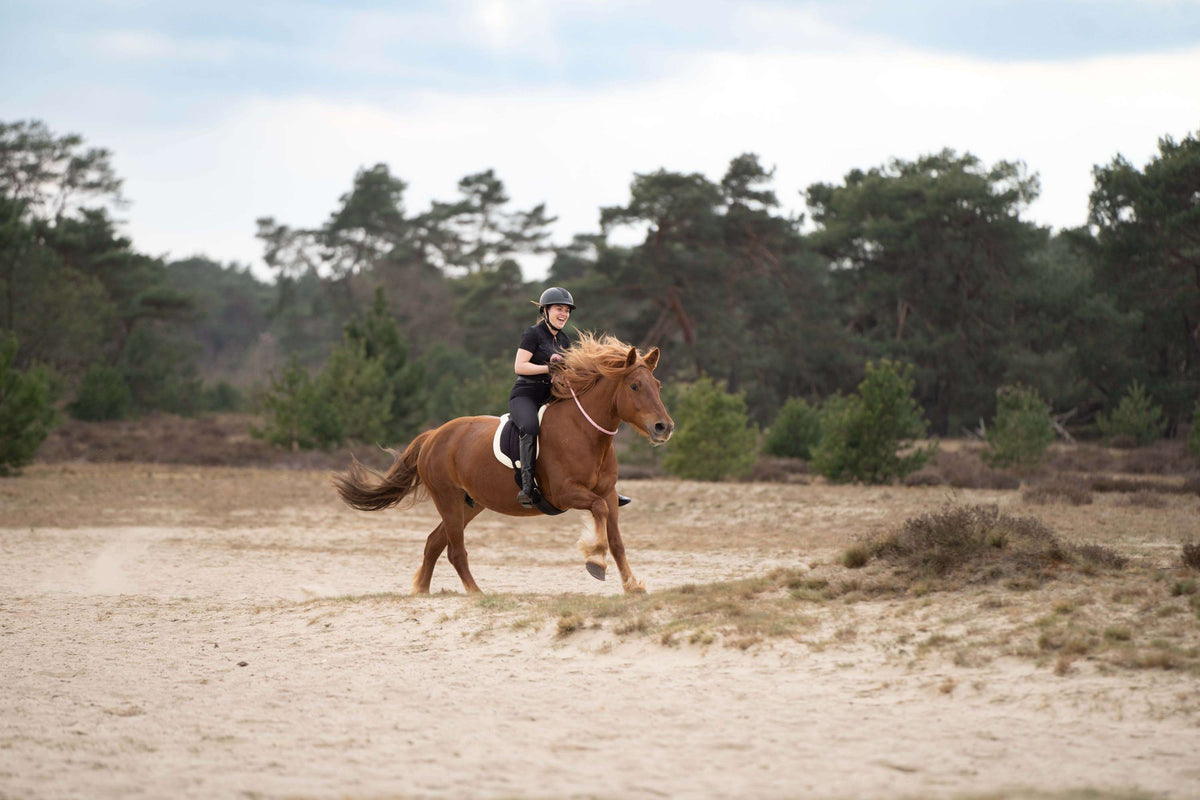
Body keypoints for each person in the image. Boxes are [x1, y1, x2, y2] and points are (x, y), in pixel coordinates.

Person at [509, 287, 575, 507]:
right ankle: (527, 488)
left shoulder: (565, 340)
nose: (563, 314)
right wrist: (549, 368)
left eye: (567, 310)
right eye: (559, 309)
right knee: (530, 427)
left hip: (552, 396)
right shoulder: (533, 333)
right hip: (526, 394)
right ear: (546, 310)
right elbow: (520, 366)